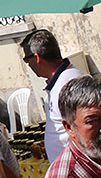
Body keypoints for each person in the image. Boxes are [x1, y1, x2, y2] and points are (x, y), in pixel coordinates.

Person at [20, 29, 87, 162]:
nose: (29, 65)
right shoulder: (62, 82)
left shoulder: (68, 84)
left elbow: (85, 129)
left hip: (77, 166)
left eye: (27, 60)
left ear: (37, 58)